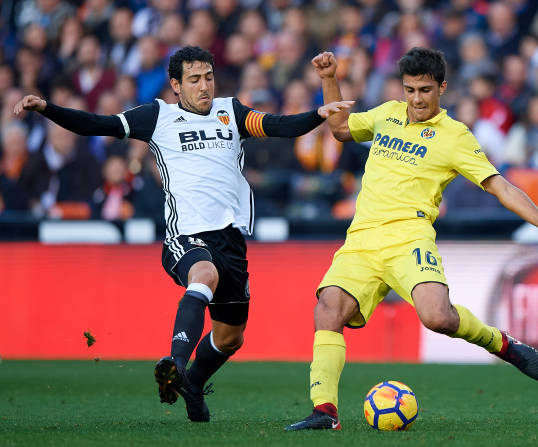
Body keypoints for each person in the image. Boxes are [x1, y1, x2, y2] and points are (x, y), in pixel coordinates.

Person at [13, 46, 352, 423]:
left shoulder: (231, 112)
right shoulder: (157, 116)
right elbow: (98, 123)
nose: (204, 86)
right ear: (176, 85)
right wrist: (48, 109)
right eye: (194, 79)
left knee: (229, 338)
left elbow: (276, 125)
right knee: (204, 275)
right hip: (186, 235)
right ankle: (173, 365)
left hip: (231, 240)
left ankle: (190, 382)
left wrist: (317, 115)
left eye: (208, 77)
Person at [285, 48, 538, 431]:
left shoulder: (455, 136)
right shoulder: (386, 113)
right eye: (410, 90)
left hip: (410, 237)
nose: (416, 99)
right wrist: (330, 78)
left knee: (438, 317)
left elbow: (502, 188)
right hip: (361, 237)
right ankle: (324, 411)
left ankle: (503, 344)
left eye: (425, 90)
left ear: (442, 87)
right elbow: (342, 129)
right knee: (328, 310)